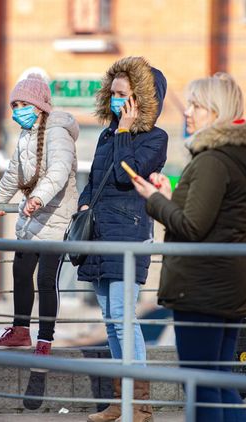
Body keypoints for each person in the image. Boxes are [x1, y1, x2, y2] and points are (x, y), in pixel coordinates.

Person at [132, 72, 246, 422]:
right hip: (227, 280)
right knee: (218, 381)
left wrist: (154, 200)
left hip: (203, 286)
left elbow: (192, 226)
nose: (187, 112)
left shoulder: (212, 160)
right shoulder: (235, 156)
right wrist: (169, 197)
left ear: (216, 112)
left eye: (196, 106)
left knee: (201, 384)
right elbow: (211, 217)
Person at [83, 56, 168, 422]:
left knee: (123, 317)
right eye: (113, 93)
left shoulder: (156, 138)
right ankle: (121, 402)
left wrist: (124, 132)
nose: (116, 101)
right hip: (100, 233)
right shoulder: (107, 134)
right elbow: (95, 179)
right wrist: (84, 202)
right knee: (110, 319)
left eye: (123, 95)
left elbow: (124, 175)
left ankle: (140, 405)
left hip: (129, 234)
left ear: (140, 99)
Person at [0, 74, 80, 361]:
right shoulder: (26, 136)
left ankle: (44, 340)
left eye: (23, 104)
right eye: (14, 105)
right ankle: (20, 331)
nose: (17, 111)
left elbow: (59, 171)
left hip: (56, 217)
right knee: (21, 272)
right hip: (31, 218)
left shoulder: (57, 132)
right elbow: (13, 173)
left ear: (39, 107)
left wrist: (37, 197)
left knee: (46, 279)